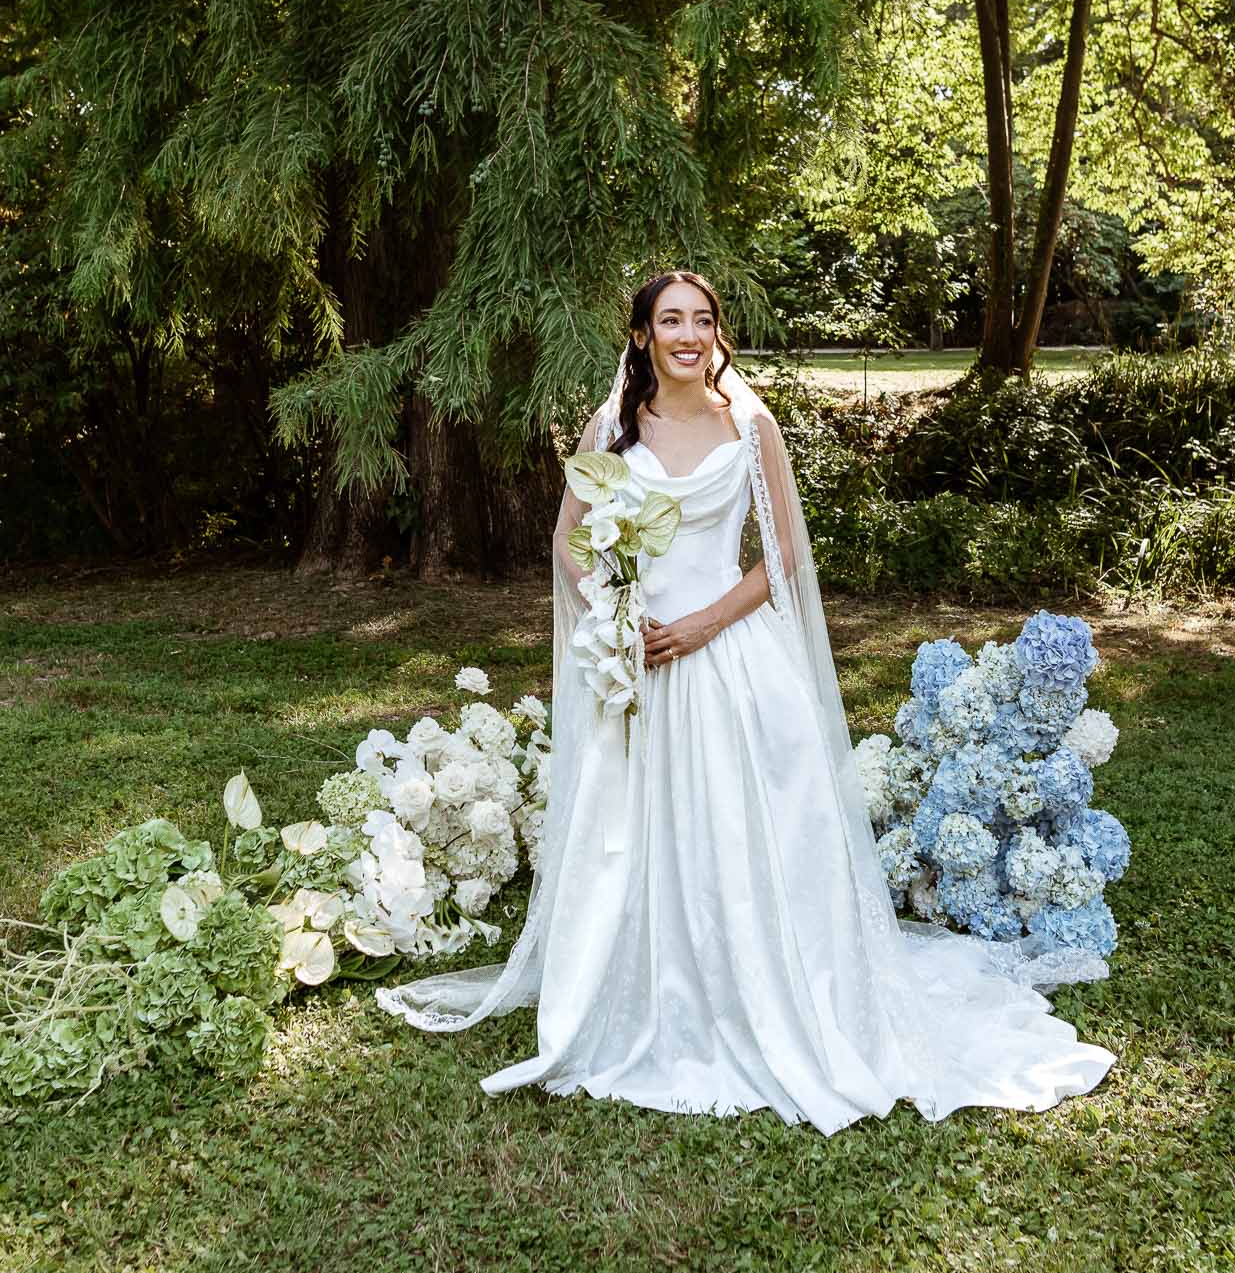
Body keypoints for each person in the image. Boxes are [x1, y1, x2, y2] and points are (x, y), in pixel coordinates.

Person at [375, 270, 1115, 1134]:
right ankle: (652, 983)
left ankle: (774, 986)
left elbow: (786, 552)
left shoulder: (749, 423)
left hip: (729, 649)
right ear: (643, 335)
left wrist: (700, 624)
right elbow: (566, 538)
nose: (687, 334)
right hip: (640, 658)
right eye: (669, 320)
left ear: (715, 333)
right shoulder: (613, 427)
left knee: (756, 819)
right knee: (641, 827)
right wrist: (614, 609)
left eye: (702, 319)